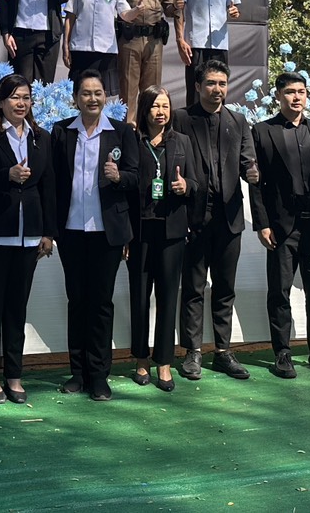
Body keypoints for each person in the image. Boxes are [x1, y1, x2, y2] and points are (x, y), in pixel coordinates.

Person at [0, 73, 56, 404]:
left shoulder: (41, 138)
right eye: (15, 97)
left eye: (26, 97)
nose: (21, 103)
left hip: (28, 237)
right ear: (1, 102)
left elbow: (48, 187)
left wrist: (48, 232)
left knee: (17, 311)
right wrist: (7, 175)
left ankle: (14, 374)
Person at [249, 72, 310, 379]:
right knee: (279, 292)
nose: (296, 97)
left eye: (301, 91)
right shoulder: (262, 131)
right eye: (290, 91)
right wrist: (262, 223)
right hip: (281, 226)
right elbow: (256, 183)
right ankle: (283, 352)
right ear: (278, 95)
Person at [51, 68, 138, 401]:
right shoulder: (61, 132)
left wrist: (119, 177)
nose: (92, 99)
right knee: (77, 301)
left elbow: (136, 177)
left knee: (101, 303)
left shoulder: (121, 132)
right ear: (76, 98)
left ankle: (99, 375)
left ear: (106, 97)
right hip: (71, 231)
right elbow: (53, 182)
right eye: (86, 93)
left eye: (98, 93)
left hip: (107, 233)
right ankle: (78, 372)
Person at [174, 60, 258, 381]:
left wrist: (253, 172)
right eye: (211, 83)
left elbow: (248, 162)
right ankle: (192, 352)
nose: (217, 89)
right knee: (193, 288)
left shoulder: (238, 121)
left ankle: (223, 351)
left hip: (229, 218)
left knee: (225, 288)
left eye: (222, 83)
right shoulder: (182, 119)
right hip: (193, 217)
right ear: (198, 86)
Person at [126, 85, 195, 392]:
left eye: (165, 106)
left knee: (168, 297)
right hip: (139, 231)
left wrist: (186, 186)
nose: (161, 112)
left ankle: (164, 361)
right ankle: (141, 359)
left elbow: (196, 181)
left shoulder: (182, 141)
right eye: (155, 106)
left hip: (171, 231)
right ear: (145, 109)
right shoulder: (132, 141)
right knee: (140, 297)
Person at [172, 0, 242, 107]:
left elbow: (233, 7)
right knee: (195, 88)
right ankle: (193, 122)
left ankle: (218, 120)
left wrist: (234, 11)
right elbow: (178, 9)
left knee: (219, 87)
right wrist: (180, 39)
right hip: (195, 43)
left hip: (219, 43)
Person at [62, 0, 139, 95]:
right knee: (78, 92)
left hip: (106, 50)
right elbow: (70, 18)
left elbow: (125, 14)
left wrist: (137, 10)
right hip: (81, 49)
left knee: (101, 93)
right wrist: (65, 46)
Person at [116, 0, 178, 118]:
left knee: (151, 92)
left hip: (154, 41)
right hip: (129, 40)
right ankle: (128, 129)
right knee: (128, 91)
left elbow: (169, 9)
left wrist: (177, 6)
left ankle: (146, 127)